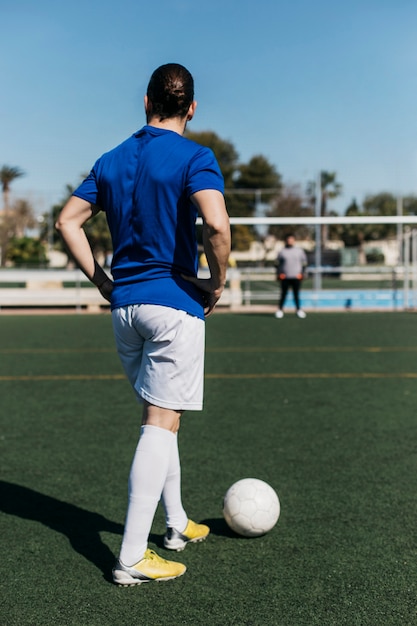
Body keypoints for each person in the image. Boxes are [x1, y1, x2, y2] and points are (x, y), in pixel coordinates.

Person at [56, 63, 231, 587]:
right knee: (161, 421)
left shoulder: (110, 159)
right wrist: (218, 282)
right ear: (192, 108)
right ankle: (131, 556)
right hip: (173, 306)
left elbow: (67, 220)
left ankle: (175, 524)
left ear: (147, 102)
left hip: (125, 309)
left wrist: (103, 283)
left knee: (160, 415)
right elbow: (217, 224)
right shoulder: (195, 157)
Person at [275, 233, 307, 318]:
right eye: (288, 240)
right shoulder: (282, 251)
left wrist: (302, 273)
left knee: (296, 294)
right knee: (283, 294)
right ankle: (280, 310)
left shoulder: (299, 251)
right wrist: (279, 274)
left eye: (291, 239)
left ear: (294, 240)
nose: (290, 241)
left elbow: (304, 263)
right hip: (285, 276)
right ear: (286, 241)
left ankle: (298, 310)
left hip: (296, 276)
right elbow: (277, 264)